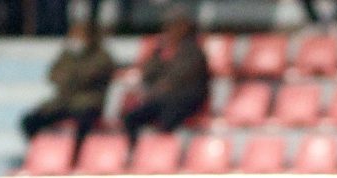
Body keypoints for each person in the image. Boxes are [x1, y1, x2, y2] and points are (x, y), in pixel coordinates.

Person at [20, 20, 114, 163]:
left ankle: (75, 159)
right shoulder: (67, 54)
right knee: (31, 120)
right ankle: (38, 154)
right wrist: (70, 76)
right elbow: (53, 75)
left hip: (88, 103)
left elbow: (85, 77)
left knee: (83, 124)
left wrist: (69, 76)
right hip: (63, 102)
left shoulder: (102, 57)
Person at [122, 6, 210, 147]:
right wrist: (159, 54)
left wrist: (155, 91)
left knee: (167, 120)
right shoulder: (163, 49)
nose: (169, 30)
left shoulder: (193, 51)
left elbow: (179, 78)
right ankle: (134, 150)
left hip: (185, 99)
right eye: (168, 26)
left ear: (184, 27)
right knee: (132, 117)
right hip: (163, 98)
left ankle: (161, 153)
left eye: (173, 25)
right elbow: (148, 73)